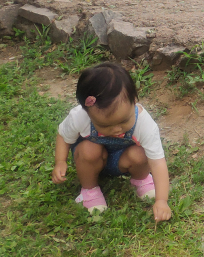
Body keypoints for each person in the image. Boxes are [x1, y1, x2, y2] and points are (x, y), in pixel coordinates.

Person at [52, 62, 172, 222]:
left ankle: (141, 179)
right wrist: (60, 161)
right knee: (88, 149)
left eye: (124, 121)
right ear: (87, 111)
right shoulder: (79, 117)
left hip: (123, 160)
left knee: (142, 153)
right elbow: (63, 136)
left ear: (134, 100)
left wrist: (162, 200)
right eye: (105, 125)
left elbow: (157, 163)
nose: (117, 129)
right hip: (91, 160)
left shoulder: (145, 124)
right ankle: (89, 190)